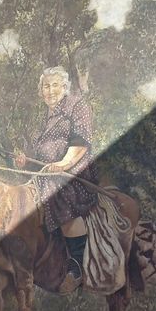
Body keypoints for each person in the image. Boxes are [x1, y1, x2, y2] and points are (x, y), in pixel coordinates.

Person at [16, 66, 98, 293]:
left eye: (54, 85)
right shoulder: (43, 119)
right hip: (47, 174)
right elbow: (38, 158)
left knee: (58, 192)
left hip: (73, 172)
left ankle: (79, 265)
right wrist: (25, 161)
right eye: (45, 86)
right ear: (40, 91)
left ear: (64, 87)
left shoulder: (76, 106)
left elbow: (81, 142)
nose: (50, 90)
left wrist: (62, 165)